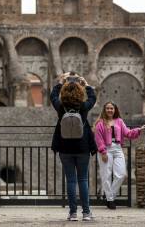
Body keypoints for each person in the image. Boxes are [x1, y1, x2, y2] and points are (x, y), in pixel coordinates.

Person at [51, 72, 97, 221]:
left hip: (65, 147)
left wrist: (60, 82)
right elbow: (93, 98)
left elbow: (53, 96)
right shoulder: (83, 107)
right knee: (83, 180)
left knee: (70, 180)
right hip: (82, 147)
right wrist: (86, 85)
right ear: (79, 93)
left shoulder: (60, 107)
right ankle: (86, 213)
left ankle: (72, 213)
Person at [94, 101, 145, 209]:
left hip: (118, 149)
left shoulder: (119, 121)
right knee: (106, 175)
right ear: (105, 110)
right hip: (106, 149)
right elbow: (98, 138)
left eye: (112, 108)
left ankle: (109, 196)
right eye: (108, 108)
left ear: (115, 110)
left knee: (121, 174)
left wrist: (139, 129)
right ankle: (110, 200)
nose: (110, 110)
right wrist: (103, 152)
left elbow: (128, 133)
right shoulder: (100, 123)